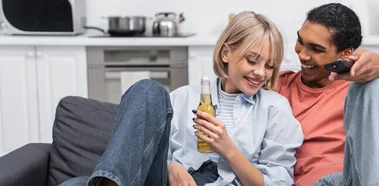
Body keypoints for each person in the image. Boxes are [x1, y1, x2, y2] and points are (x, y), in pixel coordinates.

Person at [60, 11, 304, 186]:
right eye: (252, 60)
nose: (261, 72)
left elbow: (277, 182)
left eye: (270, 66)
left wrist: (228, 150)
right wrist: (170, 168)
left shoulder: (275, 109)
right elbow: (147, 156)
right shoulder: (183, 98)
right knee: (148, 89)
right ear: (226, 53)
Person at [275, 3, 379, 186]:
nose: (303, 55)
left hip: (357, 179)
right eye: (301, 41)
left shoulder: (360, 93)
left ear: (345, 54)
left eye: (316, 49)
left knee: (376, 84)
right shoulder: (279, 86)